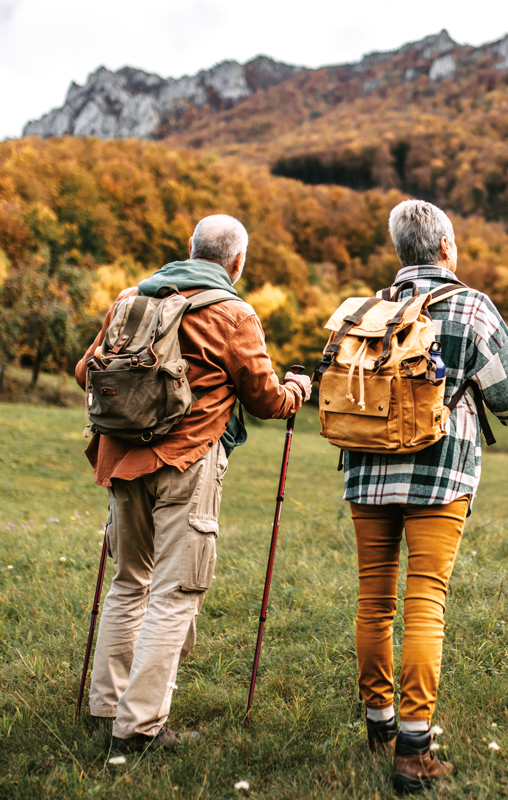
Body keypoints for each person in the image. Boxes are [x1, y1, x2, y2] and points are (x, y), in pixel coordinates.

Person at [75, 214, 312, 752]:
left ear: (188, 248)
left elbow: (85, 371)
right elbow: (266, 399)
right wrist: (296, 387)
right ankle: (138, 730)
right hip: (187, 461)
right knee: (175, 594)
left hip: (120, 457)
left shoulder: (131, 298)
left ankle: (105, 710)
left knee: (129, 582)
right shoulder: (234, 313)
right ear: (238, 262)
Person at [343, 200, 508, 793]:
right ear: (447, 248)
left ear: (400, 252)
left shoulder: (367, 309)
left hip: (367, 471)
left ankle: (379, 727)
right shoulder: (473, 306)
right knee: (426, 598)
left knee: (374, 597)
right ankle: (414, 750)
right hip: (439, 474)